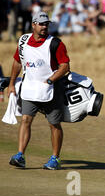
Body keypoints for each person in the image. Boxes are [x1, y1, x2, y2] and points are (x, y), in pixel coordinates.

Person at [8, 12, 70, 170]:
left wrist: (50, 80)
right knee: (25, 120)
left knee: (54, 124)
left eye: (46, 24)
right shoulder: (23, 40)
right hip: (29, 88)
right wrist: (12, 83)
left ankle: (55, 158)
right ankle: (20, 155)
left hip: (50, 90)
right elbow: (17, 62)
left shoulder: (55, 43)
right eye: (41, 24)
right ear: (33, 24)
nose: (44, 27)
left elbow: (65, 66)